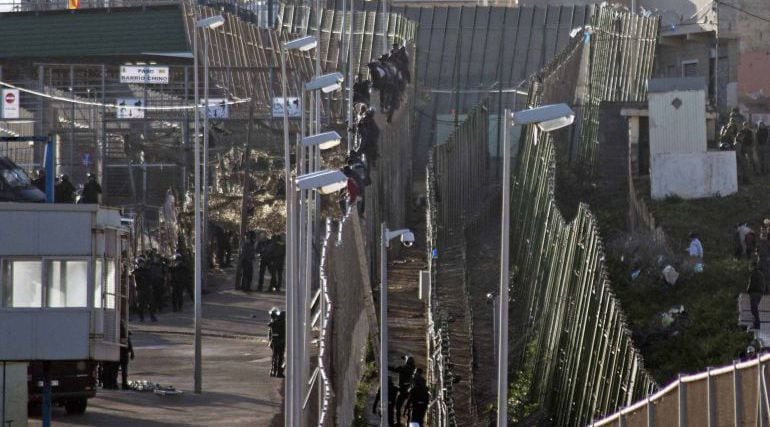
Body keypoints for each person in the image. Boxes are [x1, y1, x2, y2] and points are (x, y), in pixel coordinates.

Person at [389, 355, 416, 423]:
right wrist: (405, 358)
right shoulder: (413, 368)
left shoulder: (404, 368)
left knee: (398, 407)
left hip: (403, 390)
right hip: (409, 389)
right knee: (410, 406)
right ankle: (409, 422)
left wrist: (386, 367)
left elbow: (395, 369)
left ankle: (398, 422)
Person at [133, 256, 156, 322]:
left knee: (151, 303)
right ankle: (141, 317)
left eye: (142, 263)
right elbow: (135, 280)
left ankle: (152, 316)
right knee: (141, 304)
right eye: (140, 263)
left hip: (147, 289)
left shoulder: (147, 271)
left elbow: (151, 279)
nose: (141, 264)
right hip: (140, 289)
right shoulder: (136, 272)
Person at [747, 262, 766, 330]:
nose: (749, 268)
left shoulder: (753, 274)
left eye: (750, 266)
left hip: (754, 293)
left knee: (754, 309)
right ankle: (756, 325)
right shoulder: (761, 274)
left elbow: (752, 284)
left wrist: (748, 290)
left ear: (753, 266)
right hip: (760, 293)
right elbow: (764, 284)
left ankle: (757, 325)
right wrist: (762, 291)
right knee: (755, 309)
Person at [268, 308, 286, 378]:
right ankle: (278, 372)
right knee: (279, 357)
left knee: (275, 356)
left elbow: (270, 332)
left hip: (275, 341)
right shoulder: (281, 323)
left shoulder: (273, 322)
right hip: (280, 341)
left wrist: (270, 341)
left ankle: (274, 371)